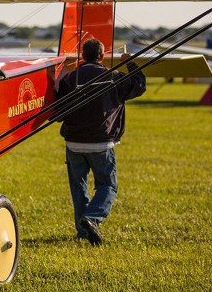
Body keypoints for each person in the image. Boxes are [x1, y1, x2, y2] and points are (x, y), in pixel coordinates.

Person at [56, 38, 146, 246]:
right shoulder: (113, 77)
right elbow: (139, 86)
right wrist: (130, 63)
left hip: (73, 143)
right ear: (102, 56)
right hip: (101, 144)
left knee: (79, 188)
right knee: (108, 185)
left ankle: (83, 231)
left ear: (82, 55)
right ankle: (93, 218)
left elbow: (59, 107)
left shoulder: (70, 78)